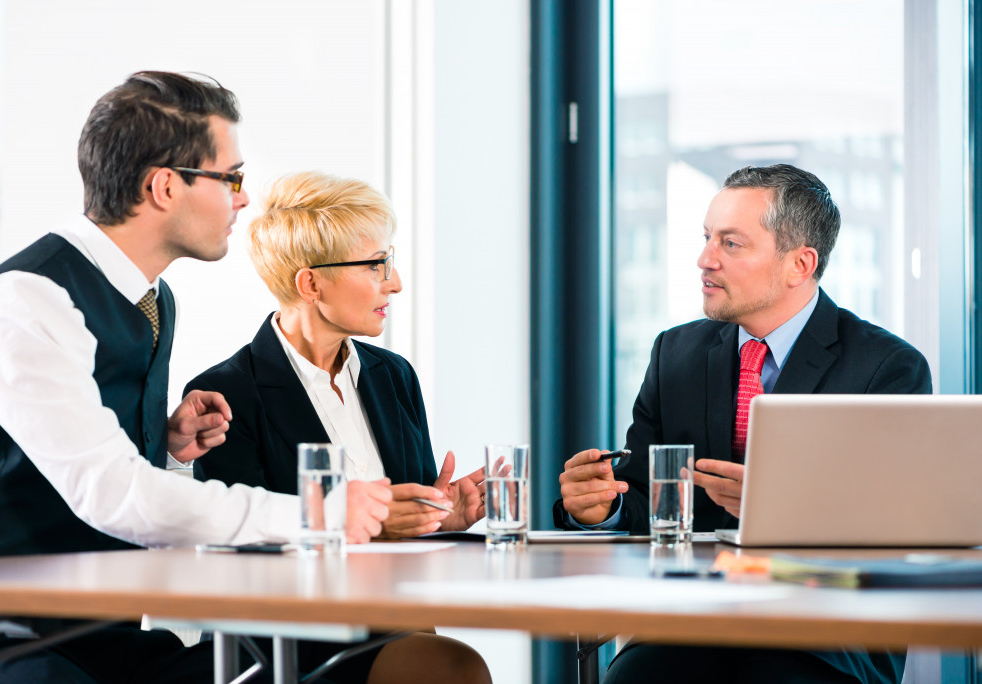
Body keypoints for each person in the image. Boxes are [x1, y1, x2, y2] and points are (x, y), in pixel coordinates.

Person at [0, 72, 390, 684]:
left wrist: (169, 448)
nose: (243, 199)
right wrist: (314, 516)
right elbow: (114, 495)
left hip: (100, 633)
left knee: (342, 667)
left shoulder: (151, 301)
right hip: (4, 643)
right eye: (231, 178)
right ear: (164, 186)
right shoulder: (26, 302)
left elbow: (116, 480)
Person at [555, 164, 930, 684]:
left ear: (800, 264)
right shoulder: (676, 352)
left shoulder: (885, 367)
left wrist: (781, 505)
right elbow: (644, 494)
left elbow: (901, 529)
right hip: (688, 623)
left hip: (823, 631)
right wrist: (605, 507)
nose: (705, 259)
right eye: (707, 238)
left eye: (731, 243)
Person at [184, 170, 491, 683]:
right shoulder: (227, 395)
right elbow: (240, 558)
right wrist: (376, 532)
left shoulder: (392, 376)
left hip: (395, 623)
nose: (395, 282)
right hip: (287, 643)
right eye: (377, 264)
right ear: (311, 283)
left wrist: (439, 518)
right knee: (453, 668)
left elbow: (406, 522)